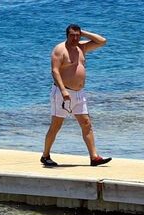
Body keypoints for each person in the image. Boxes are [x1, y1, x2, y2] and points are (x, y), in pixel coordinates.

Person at [41, 23, 110, 167]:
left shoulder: (82, 47)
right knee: (56, 125)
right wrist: (63, 90)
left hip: (79, 94)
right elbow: (55, 71)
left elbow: (102, 41)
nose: (75, 38)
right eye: (72, 35)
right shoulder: (60, 50)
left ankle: (94, 157)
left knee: (86, 124)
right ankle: (45, 155)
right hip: (62, 93)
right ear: (67, 35)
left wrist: (83, 33)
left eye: (77, 35)